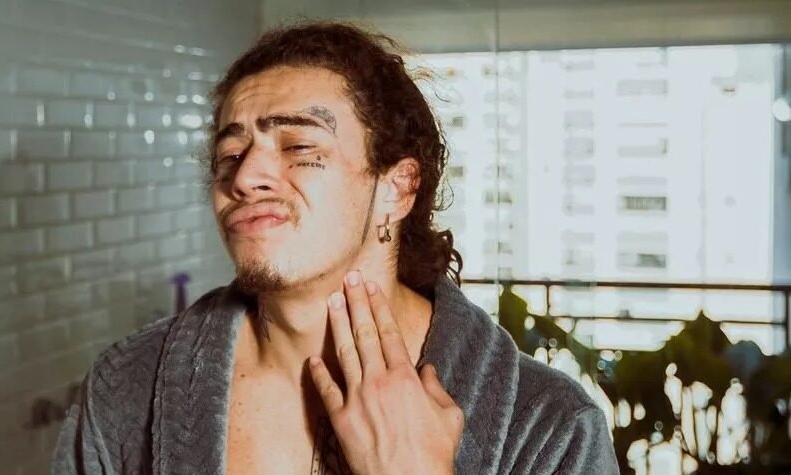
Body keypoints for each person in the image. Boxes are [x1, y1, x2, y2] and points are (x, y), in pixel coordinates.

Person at [52, 22, 618, 475]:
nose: (246, 178)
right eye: (230, 156)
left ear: (396, 188)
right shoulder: (127, 388)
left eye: (299, 146)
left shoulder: (550, 428)